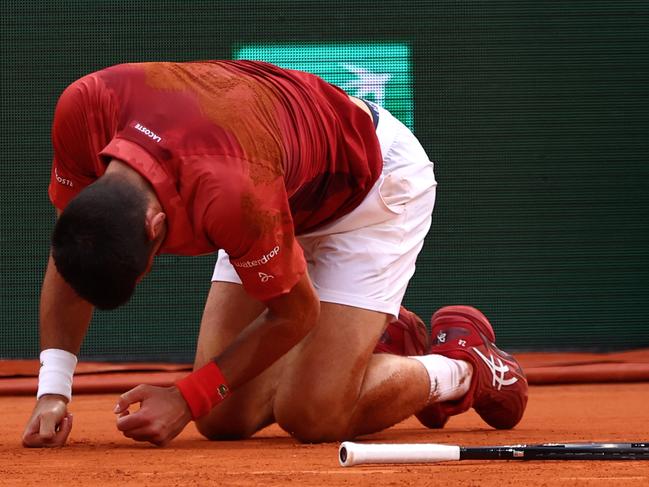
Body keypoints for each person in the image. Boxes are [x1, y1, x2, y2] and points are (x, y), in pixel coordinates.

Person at [22, 60, 527, 448]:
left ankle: (462, 367)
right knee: (222, 418)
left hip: (370, 189)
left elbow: (296, 312)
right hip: (275, 179)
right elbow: (74, 248)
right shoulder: (83, 111)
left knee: (313, 414)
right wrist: (53, 390)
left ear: (157, 229)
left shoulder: (230, 194)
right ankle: (376, 341)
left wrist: (184, 397)